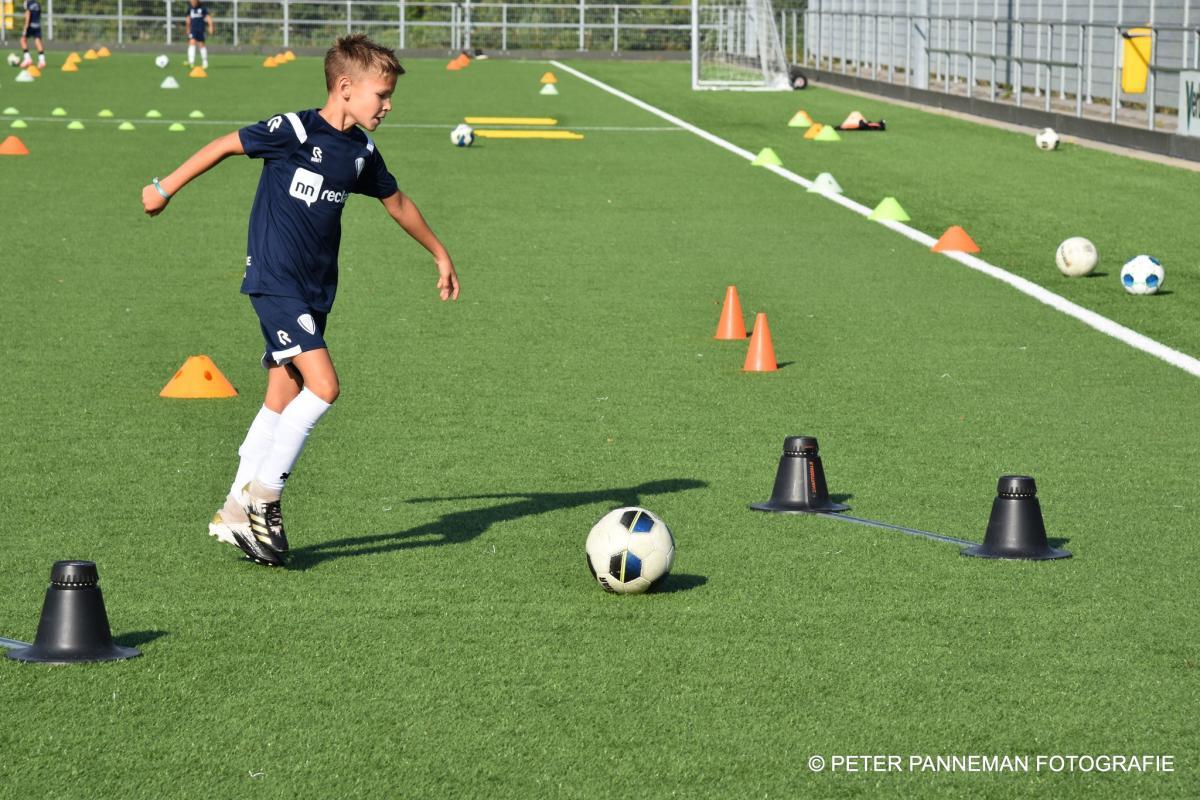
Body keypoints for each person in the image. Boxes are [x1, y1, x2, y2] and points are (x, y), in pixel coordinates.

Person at [141, 34, 460, 567]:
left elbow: (397, 202)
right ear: (345, 87)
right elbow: (224, 145)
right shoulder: (293, 130)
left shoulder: (360, 152)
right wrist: (164, 188)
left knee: (282, 394)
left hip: (315, 290)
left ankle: (233, 509)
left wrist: (439, 253)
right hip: (275, 281)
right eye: (381, 94)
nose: (388, 105)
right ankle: (264, 499)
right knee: (325, 386)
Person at [184, 0, 213, 69]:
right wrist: (187, 28)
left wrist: (211, 26)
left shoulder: (202, 7)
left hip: (200, 29)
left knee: (201, 45)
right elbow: (188, 18)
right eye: (191, 2)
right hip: (193, 29)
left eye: (193, 2)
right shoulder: (190, 8)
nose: (192, 3)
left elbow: (208, 17)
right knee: (192, 42)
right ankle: (191, 62)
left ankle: (205, 62)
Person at [19, 0, 45, 69]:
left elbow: (28, 14)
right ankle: (42, 61)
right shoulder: (37, 3)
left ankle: (27, 59)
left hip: (30, 25)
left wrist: (25, 27)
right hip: (37, 25)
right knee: (37, 41)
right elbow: (39, 14)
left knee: (23, 40)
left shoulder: (27, 2)